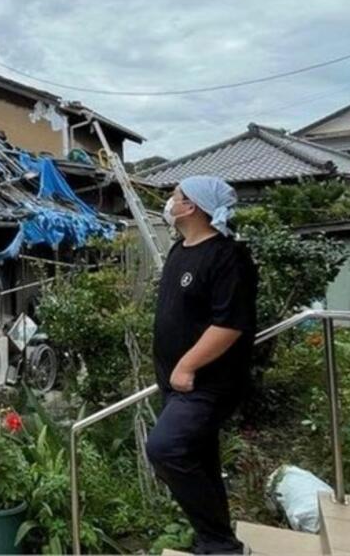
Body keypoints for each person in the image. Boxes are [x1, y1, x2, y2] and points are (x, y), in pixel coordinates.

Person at [146, 175, 258, 555]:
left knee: (165, 448)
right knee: (199, 457)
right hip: (176, 383)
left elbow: (230, 324)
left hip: (208, 384)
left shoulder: (228, 257)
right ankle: (216, 540)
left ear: (191, 206)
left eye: (175, 196)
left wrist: (187, 365)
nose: (169, 201)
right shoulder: (181, 249)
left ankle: (221, 544)